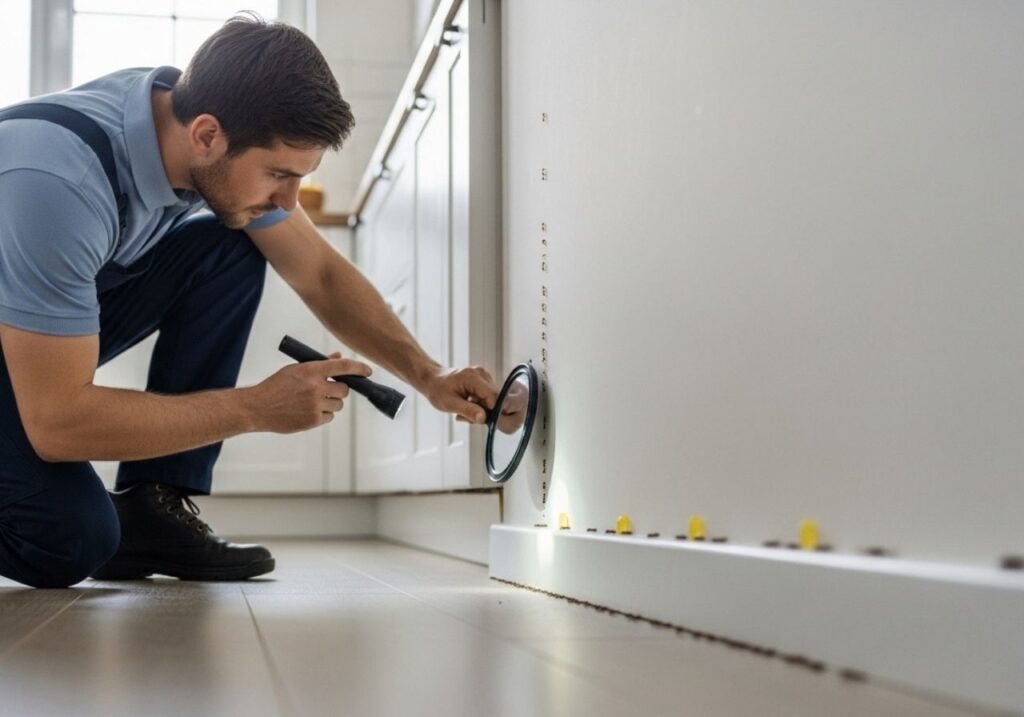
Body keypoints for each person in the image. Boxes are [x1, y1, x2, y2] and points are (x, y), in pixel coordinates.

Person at [0, 14, 499, 589]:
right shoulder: (58, 182)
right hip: (30, 358)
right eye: (279, 175)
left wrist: (431, 376)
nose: (290, 200)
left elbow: (321, 275)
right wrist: (254, 408)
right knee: (71, 538)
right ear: (208, 135)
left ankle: (151, 507)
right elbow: (59, 424)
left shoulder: (181, 120)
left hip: (23, 326)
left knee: (225, 244)